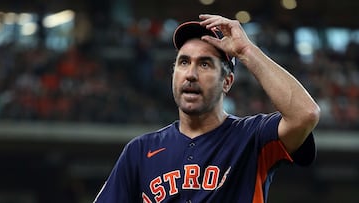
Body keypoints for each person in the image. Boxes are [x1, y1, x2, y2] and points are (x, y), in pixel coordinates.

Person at [94, 14, 320, 203]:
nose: (191, 74)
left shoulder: (253, 137)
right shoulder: (140, 150)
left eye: (204, 64)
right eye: (183, 62)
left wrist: (246, 51)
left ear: (227, 82)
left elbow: (305, 114)